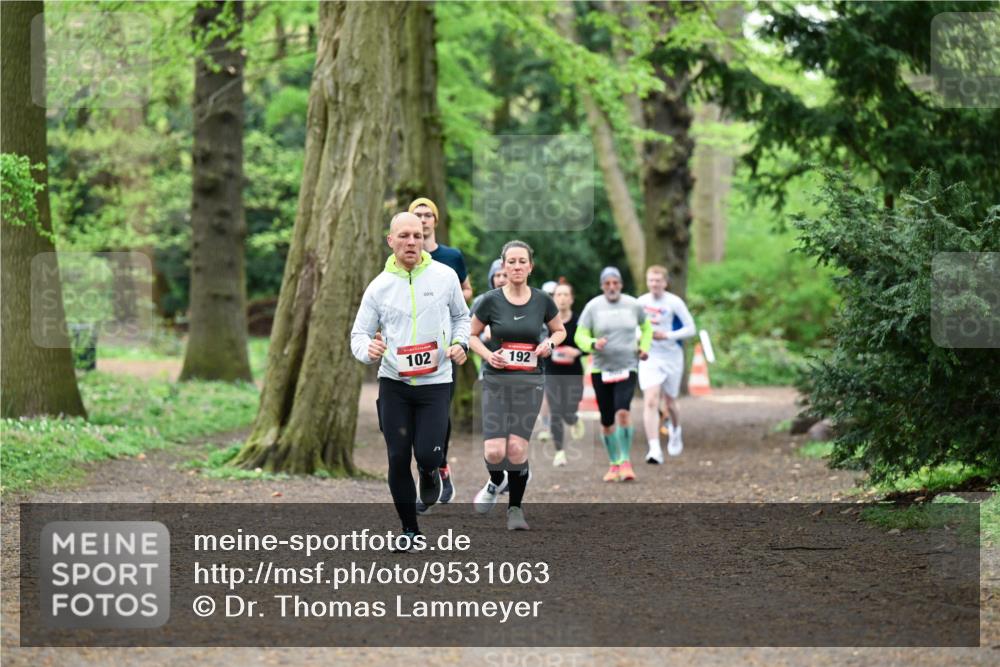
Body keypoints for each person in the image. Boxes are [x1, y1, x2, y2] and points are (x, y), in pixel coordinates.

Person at [350, 212, 470, 545]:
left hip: (435, 382)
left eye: (417, 236)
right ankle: (409, 530)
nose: (411, 242)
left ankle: (431, 472)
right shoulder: (379, 287)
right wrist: (368, 350)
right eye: (404, 236)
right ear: (391, 241)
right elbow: (359, 333)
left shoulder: (445, 277)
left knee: (429, 454)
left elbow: (463, 317)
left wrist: (460, 344)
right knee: (397, 457)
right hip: (394, 383)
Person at [468, 240, 565, 530]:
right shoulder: (490, 300)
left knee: (516, 450)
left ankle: (515, 509)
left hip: (530, 382)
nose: (517, 266)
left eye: (522, 261)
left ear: (530, 266)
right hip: (496, 382)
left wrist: (548, 342)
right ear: (503, 266)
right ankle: (495, 481)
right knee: (495, 452)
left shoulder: (542, 301)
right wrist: (488, 354)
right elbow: (471, 335)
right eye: (511, 261)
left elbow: (560, 330)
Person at [408, 197, 471, 506]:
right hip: (408, 347)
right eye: (416, 214)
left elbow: (466, 292)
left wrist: (447, 300)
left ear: (435, 220)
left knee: (438, 413)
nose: (422, 219)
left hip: (443, 349)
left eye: (427, 214)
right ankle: (427, 470)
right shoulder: (403, 258)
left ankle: (438, 466)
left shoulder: (451, 256)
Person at [575, 266, 653, 482]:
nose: (611, 287)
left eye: (615, 283)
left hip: (628, 367)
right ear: (602, 286)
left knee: (623, 413)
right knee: (607, 421)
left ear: (620, 284)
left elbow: (647, 328)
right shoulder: (593, 307)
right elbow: (580, 335)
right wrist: (592, 343)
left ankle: (626, 461)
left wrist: (644, 347)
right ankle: (614, 464)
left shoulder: (633, 305)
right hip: (601, 370)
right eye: (607, 283)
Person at [638, 265, 696, 462]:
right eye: (651, 280)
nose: (654, 284)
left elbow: (691, 328)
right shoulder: (641, 302)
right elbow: (633, 327)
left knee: (670, 402)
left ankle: (676, 429)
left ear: (665, 282)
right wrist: (641, 337)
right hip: (650, 355)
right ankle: (654, 449)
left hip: (672, 355)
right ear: (647, 282)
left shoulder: (674, 302)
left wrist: (668, 335)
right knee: (651, 399)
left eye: (658, 280)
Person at [543, 280, 586, 466]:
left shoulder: (580, 321)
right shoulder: (545, 321)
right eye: (558, 294)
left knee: (568, 411)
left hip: (573, 372)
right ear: (553, 298)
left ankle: (574, 419)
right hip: (551, 371)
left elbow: (588, 342)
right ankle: (559, 451)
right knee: (555, 411)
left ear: (572, 299)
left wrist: (577, 352)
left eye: (565, 295)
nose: (562, 298)